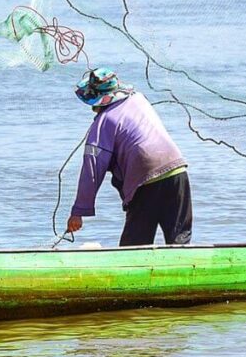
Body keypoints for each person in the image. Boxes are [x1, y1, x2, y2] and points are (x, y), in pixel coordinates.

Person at [66, 67, 192, 246]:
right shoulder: (139, 100)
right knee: (179, 241)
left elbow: (91, 170)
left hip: (145, 181)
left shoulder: (102, 123)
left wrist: (78, 212)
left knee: (134, 246)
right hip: (177, 170)